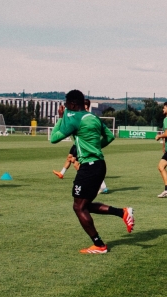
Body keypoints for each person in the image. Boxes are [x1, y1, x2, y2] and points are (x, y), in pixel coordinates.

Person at [50, 90, 133, 254]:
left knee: (79, 207)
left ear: (73, 104)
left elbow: (54, 138)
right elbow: (109, 137)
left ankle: (100, 245)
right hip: (99, 165)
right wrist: (94, 149)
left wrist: (61, 118)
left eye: (66, 104)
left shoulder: (75, 120)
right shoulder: (93, 118)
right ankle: (122, 212)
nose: (65, 106)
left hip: (89, 167)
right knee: (84, 205)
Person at [53, 100, 109, 194]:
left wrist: (61, 118)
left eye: (86, 107)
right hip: (77, 145)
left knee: (77, 164)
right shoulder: (83, 117)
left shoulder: (89, 118)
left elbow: (54, 138)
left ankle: (102, 185)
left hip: (83, 147)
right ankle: (62, 173)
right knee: (70, 159)